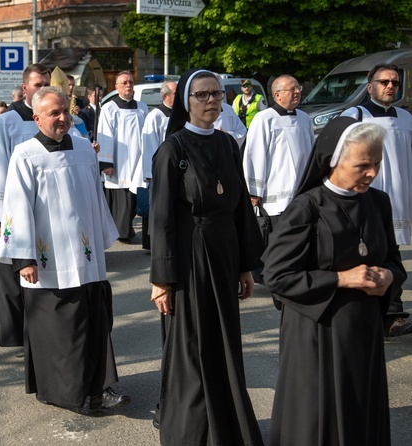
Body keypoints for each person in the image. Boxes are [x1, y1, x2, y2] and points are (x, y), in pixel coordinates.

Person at [263, 117, 406, 446]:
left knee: (360, 414)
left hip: (363, 330)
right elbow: (277, 276)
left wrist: (388, 276)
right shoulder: (306, 208)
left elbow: (394, 262)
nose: (372, 173)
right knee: (319, 420)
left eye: (377, 163)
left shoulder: (378, 202)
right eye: (362, 165)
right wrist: (341, 279)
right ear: (334, 160)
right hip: (317, 334)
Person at [149, 69, 264, 445]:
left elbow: (241, 209)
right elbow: (162, 218)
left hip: (225, 252)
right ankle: (193, 429)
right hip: (189, 257)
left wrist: (247, 264)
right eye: (202, 95)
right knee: (193, 344)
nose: (211, 100)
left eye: (216, 94)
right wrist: (161, 280)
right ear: (186, 101)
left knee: (224, 341)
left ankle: (226, 424)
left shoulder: (229, 144)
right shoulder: (173, 149)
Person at [0, 86, 129, 415]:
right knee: (61, 331)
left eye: (65, 111)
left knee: (96, 322)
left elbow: (96, 198)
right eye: (54, 113)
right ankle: (69, 392)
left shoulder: (85, 149)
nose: (62, 118)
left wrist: (102, 238)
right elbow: (16, 206)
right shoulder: (25, 154)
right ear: (36, 118)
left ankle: (101, 387)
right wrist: (24, 257)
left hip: (86, 259)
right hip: (49, 260)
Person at [0, 63, 51, 347]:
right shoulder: (8, 120)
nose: (42, 88)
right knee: (13, 266)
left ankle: (42, 327)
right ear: (25, 88)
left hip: (45, 206)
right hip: (13, 206)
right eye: (37, 84)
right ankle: (17, 333)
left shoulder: (53, 117)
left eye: (46, 83)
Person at [341, 63, 412, 337]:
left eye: (395, 82)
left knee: (392, 257)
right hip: (367, 196)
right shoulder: (355, 115)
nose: (390, 86)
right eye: (384, 82)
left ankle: (391, 314)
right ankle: (372, 314)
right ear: (370, 86)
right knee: (368, 256)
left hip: (398, 197)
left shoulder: (406, 118)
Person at [243, 74, 314, 228]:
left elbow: (311, 152)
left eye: (298, 88)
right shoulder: (265, 118)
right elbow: (255, 155)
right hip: (277, 191)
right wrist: (254, 192)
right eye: (292, 89)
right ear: (277, 95)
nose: (297, 92)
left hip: (302, 192)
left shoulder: (304, 118)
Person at [98, 70, 148, 243]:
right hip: (120, 160)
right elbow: (104, 134)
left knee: (136, 195)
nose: (128, 85)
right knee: (123, 198)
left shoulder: (142, 107)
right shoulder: (109, 108)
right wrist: (106, 162)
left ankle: (128, 229)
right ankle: (123, 231)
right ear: (117, 86)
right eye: (124, 82)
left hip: (138, 159)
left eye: (131, 82)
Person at [137, 80, 176, 250]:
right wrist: (151, 174)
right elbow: (149, 146)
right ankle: (156, 244)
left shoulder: (180, 114)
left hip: (176, 170)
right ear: (166, 95)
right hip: (160, 172)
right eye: (177, 92)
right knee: (159, 210)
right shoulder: (155, 116)